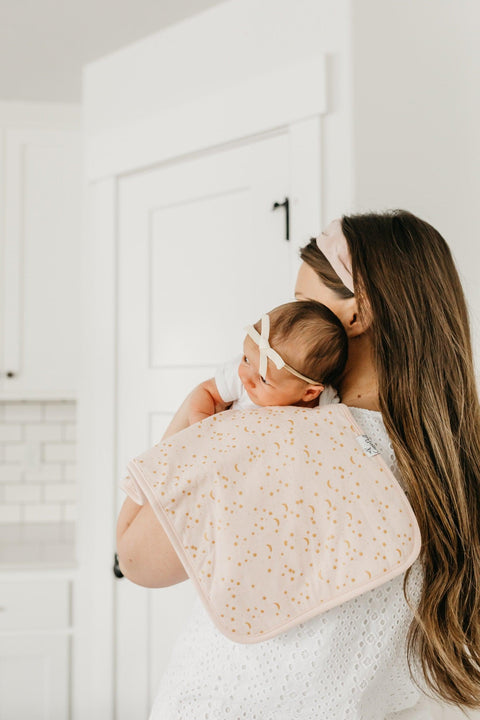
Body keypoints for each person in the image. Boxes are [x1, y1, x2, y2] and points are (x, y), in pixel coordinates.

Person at [116, 209, 480, 718]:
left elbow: (134, 558)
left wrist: (191, 424)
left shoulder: (259, 437)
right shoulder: (452, 464)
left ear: (357, 314)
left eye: (304, 303)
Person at [187, 300, 348, 425]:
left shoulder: (324, 404)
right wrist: (201, 424)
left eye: (264, 379)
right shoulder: (239, 378)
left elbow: (335, 428)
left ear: (309, 393)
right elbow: (207, 391)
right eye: (247, 359)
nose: (245, 377)